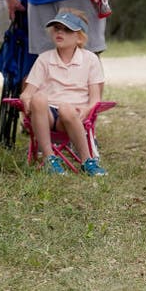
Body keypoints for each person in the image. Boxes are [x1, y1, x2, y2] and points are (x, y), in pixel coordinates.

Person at [19, 9, 107, 176]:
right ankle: (49, 159)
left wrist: (87, 112)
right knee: (38, 98)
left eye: (67, 30)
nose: (60, 32)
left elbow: (95, 99)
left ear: (79, 37)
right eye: (57, 28)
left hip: (74, 115)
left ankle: (87, 160)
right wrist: (26, 103)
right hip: (47, 114)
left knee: (66, 108)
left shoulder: (90, 60)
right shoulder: (44, 59)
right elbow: (27, 93)